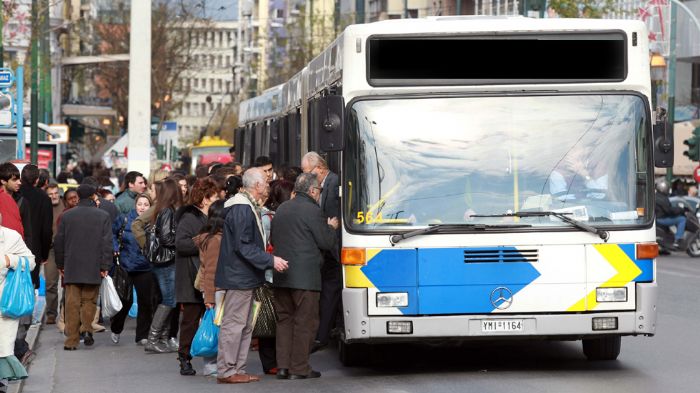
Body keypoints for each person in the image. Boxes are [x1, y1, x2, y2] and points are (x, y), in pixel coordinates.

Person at [215, 168, 288, 384]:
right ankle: (228, 370)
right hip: (240, 276)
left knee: (244, 325)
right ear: (256, 186)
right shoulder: (242, 208)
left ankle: (236, 368)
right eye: (266, 182)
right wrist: (270, 260)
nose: (268, 185)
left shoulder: (244, 206)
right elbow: (243, 245)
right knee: (235, 324)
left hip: (243, 276)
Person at [270, 173, 338, 380]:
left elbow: (274, 238)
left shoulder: (282, 209)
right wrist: (331, 228)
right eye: (319, 191)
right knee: (305, 322)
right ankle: (299, 368)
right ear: (312, 191)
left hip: (282, 275)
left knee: (284, 321)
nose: (319, 194)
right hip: (306, 278)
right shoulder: (313, 210)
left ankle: (282, 366)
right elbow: (326, 242)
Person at [54, 184, 112, 350]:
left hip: (72, 265)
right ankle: (87, 328)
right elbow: (106, 243)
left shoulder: (67, 216)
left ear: (78, 196)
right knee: (90, 300)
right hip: (93, 265)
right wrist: (105, 265)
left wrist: (60, 264)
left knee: (72, 302)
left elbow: (59, 242)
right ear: (94, 196)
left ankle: (71, 340)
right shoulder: (103, 216)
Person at [174, 178, 219, 375]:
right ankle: (184, 357)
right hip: (191, 276)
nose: (218, 198)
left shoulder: (210, 216)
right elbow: (181, 244)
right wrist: (204, 243)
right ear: (205, 198)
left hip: (205, 276)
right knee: (190, 321)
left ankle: (211, 359)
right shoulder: (189, 218)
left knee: (210, 319)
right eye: (215, 196)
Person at [301, 152, 341, 352]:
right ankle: (323, 332)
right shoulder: (320, 185)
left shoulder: (334, 182)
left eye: (307, 172)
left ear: (320, 168)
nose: (306, 176)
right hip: (326, 248)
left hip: (334, 249)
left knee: (329, 291)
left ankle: (323, 334)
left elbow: (336, 215)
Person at [109, 194, 155, 346]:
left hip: (145, 266)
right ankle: (116, 328)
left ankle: (142, 335)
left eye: (146, 204)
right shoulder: (125, 219)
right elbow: (112, 234)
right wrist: (115, 248)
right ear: (135, 205)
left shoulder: (154, 221)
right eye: (140, 204)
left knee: (145, 302)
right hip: (126, 265)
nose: (142, 207)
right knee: (124, 301)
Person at [144, 178, 181, 354]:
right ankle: (154, 339)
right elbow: (166, 238)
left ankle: (162, 338)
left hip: (161, 261)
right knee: (168, 300)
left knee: (170, 300)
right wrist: (182, 241)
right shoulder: (167, 211)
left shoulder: (162, 209)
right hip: (166, 261)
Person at [0, 213, 35, 391]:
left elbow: (31, 262)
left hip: (5, 303)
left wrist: (10, 260)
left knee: (2, 349)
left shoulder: (11, 236)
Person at [44, 184, 64, 325]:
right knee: (51, 282)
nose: (54, 196)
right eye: (50, 194)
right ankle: (51, 313)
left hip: (65, 248)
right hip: (50, 249)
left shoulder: (65, 205)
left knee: (68, 283)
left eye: (56, 193)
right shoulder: (44, 207)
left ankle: (65, 312)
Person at [655, 178, 686, 250]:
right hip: (661, 218)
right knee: (682, 219)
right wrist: (681, 210)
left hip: (659, 217)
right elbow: (669, 210)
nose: (668, 190)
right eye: (667, 188)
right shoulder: (662, 198)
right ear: (664, 188)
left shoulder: (658, 196)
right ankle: (677, 240)